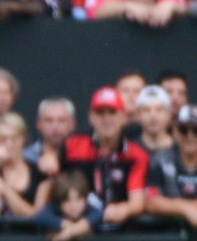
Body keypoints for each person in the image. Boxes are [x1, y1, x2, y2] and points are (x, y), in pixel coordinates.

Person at [60, 86, 149, 228]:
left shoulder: (136, 154)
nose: (106, 119)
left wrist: (125, 209)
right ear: (91, 117)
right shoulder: (71, 147)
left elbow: (137, 202)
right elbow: (57, 190)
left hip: (121, 233)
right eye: (100, 113)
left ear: (123, 117)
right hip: (78, 233)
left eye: (112, 112)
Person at [0, 111, 45, 221]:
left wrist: (5, 190)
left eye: (14, 138)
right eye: (3, 138)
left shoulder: (38, 172)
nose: (9, 144)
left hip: (29, 236)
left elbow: (35, 215)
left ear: (23, 139)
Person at [34, 169, 102, 241]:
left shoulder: (90, 210)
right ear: (59, 202)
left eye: (78, 199)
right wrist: (65, 225)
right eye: (66, 201)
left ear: (85, 199)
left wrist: (70, 233)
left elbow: (99, 214)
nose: (73, 206)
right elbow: (41, 217)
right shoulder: (53, 209)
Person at [23, 96, 76, 176]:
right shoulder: (25, 158)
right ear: (38, 123)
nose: (55, 126)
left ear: (72, 124)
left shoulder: (82, 157)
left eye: (61, 121)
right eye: (49, 120)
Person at [134, 84, 174, 154]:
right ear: (138, 115)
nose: (153, 115)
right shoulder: (130, 149)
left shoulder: (180, 149)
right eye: (146, 110)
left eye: (159, 109)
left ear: (169, 114)